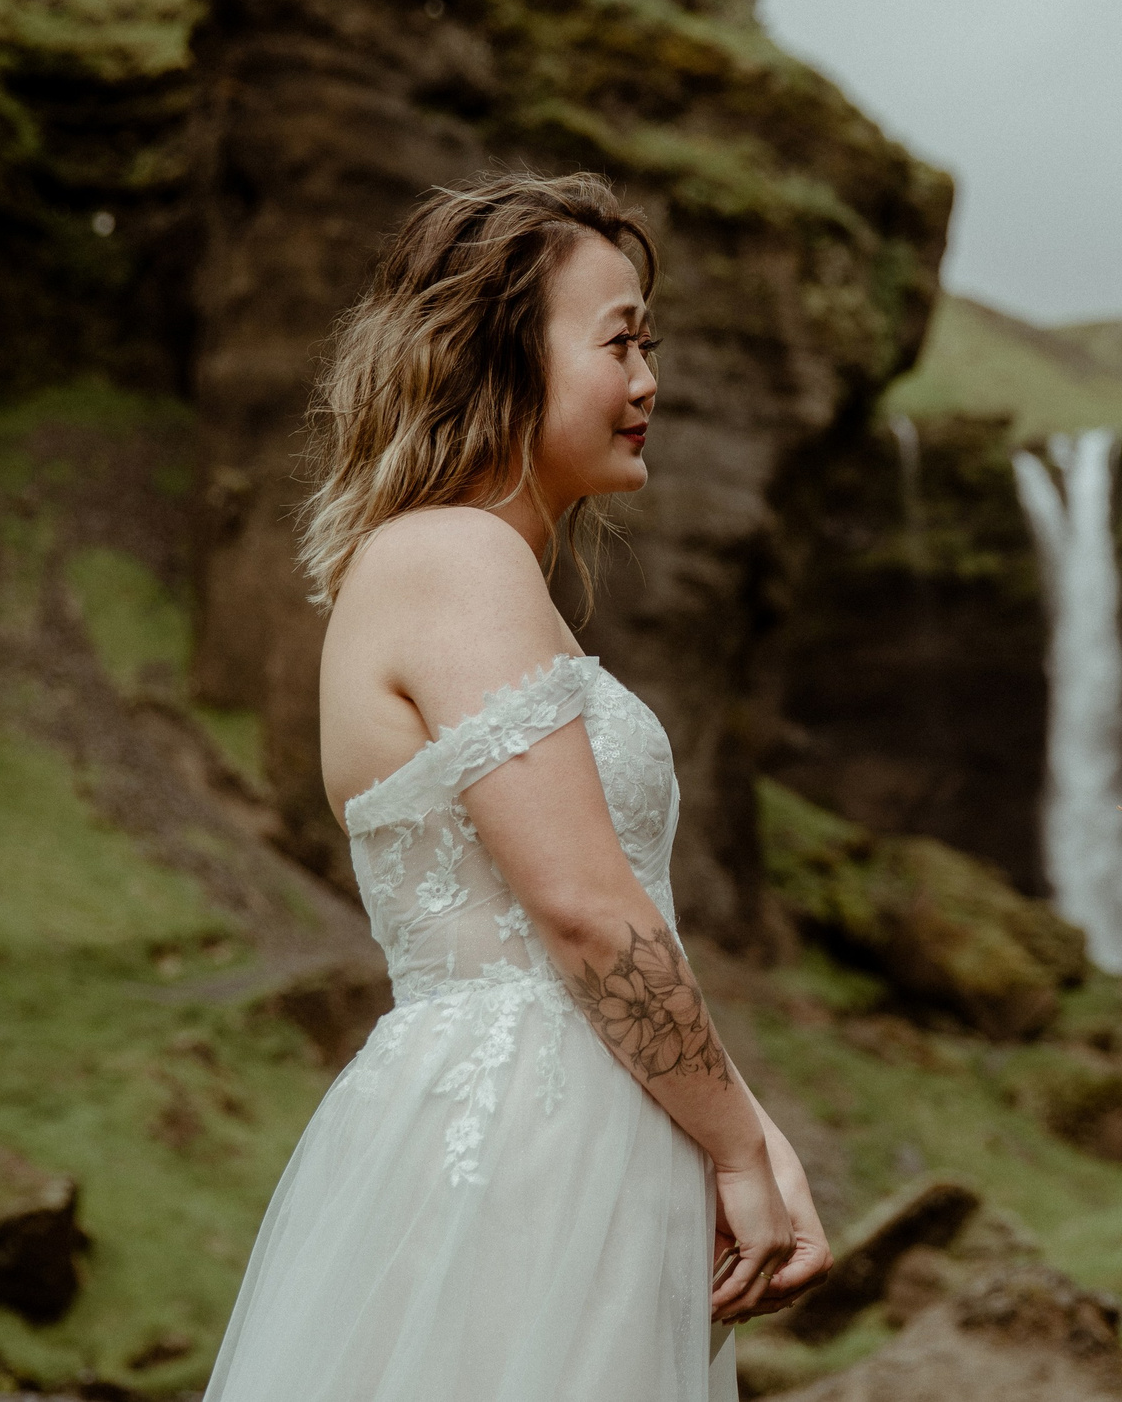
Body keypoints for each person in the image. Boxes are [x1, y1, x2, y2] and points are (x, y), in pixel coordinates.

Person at [204, 171, 828, 1402]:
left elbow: (620, 911)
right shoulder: (456, 554)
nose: (648, 381)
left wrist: (750, 1134)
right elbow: (582, 911)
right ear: (498, 355)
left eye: (650, 346)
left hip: (575, 1128)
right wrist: (733, 1148)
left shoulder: (464, 568)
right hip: (528, 1152)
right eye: (619, 342)